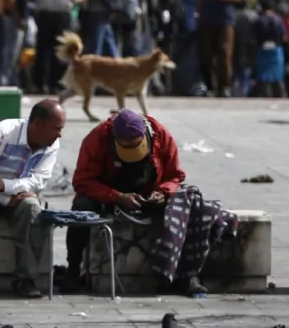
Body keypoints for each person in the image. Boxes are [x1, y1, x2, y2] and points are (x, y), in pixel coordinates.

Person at [66, 109, 238, 296]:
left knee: (192, 204)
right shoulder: (96, 139)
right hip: (110, 195)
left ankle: (187, 276)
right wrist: (115, 196)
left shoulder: (161, 135)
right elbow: (82, 182)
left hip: (151, 194)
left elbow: (175, 175)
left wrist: (162, 193)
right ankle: (73, 270)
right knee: (81, 206)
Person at [0, 99, 63, 299]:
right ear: (37, 124)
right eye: (55, 128)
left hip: (15, 193)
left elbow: (38, 181)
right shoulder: (4, 132)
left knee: (32, 208)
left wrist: (4, 185)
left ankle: (26, 278)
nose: (59, 134)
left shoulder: (51, 145)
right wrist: (3, 198)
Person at [33, 0, 83, 94]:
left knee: (42, 49)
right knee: (62, 50)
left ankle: (40, 84)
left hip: (44, 13)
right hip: (62, 13)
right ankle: (57, 83)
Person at [196, 0, 243, 98]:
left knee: (224, 53)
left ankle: (225, 86)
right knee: (207, 54)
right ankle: (210, 85)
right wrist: (198, 12)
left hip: (225, 19)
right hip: (207, 18)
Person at [171, 0, 201, 95]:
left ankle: (179, 86)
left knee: (179, 59)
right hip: (195, 27)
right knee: (193, 59)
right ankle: (192, 86)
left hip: (179, 28)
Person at [251, 1, 286, 97]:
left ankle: (266, 95)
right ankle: (280, 96)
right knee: (277, 76)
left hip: (262, 51)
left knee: (263, 77)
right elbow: (284, 37)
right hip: (276, 51)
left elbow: (254, 37)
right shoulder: (279, 20)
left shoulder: (258, 21)